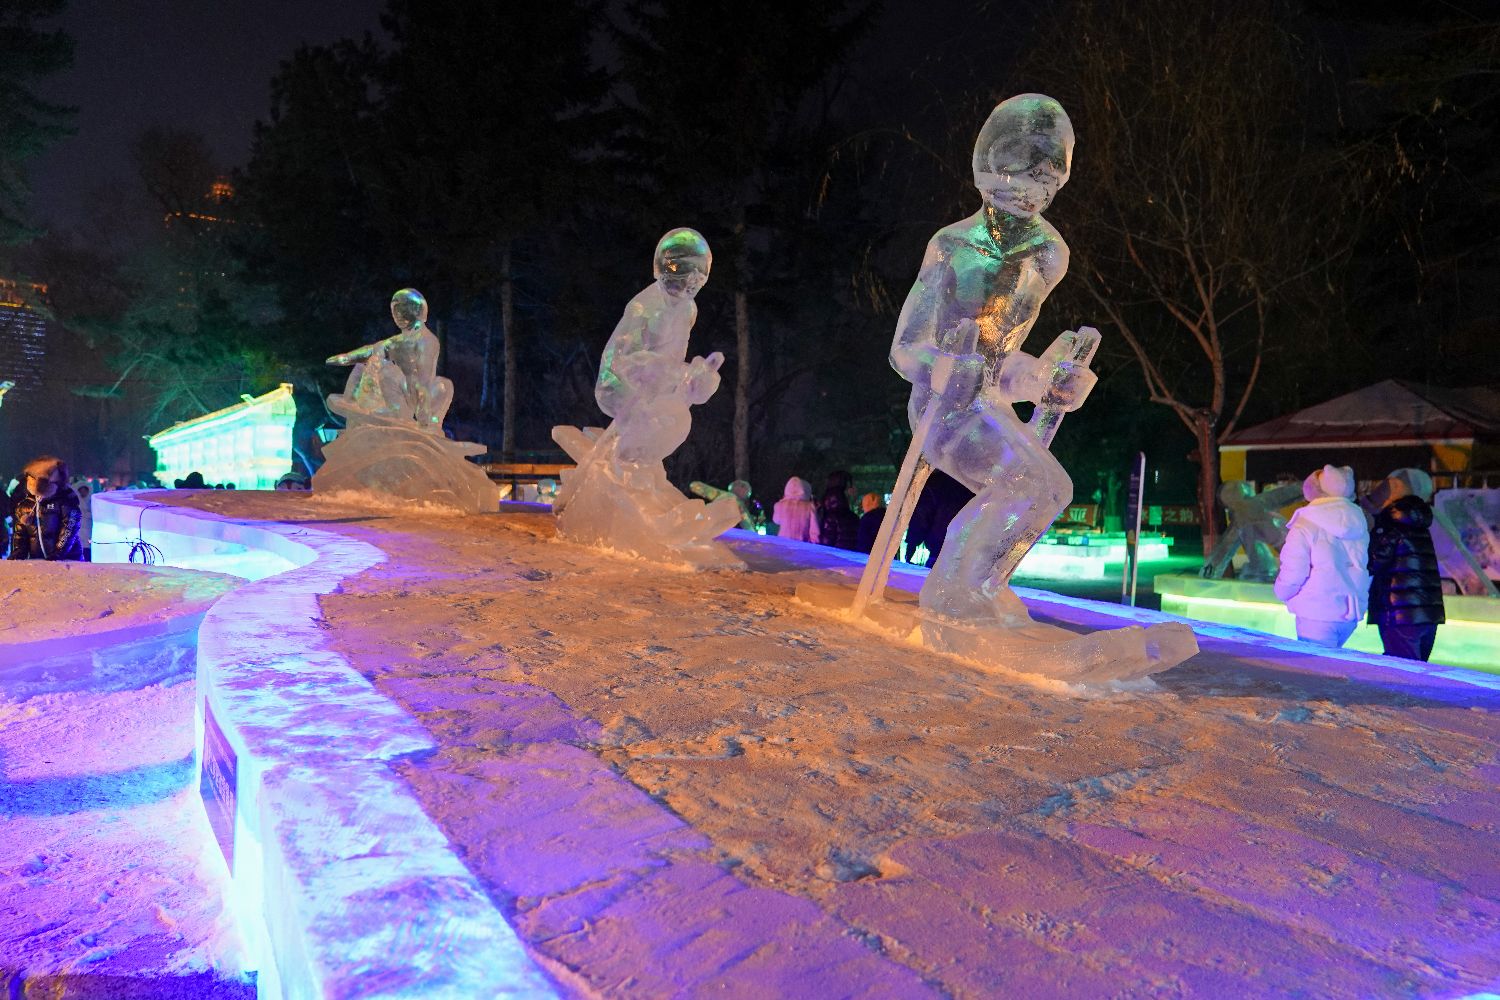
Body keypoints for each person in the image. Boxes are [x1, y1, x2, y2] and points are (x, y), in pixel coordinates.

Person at [888, 94, 1095, 624]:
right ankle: (952, 592)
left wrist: (1046, 382)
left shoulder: (1048, 254)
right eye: (1025, 171)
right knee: (1031, 484)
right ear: (992, 164)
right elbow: (905, 347)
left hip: (987, 404)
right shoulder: (952, 245)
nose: (1036, 189)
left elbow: (999, 363)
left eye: (1049, 176)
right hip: (938, 408)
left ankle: (977, 587)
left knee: (1052, 489)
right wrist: (943, 370)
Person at [1273, 465, 1369, 648]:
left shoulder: (1305, 524)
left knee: (1315, 663)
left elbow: (1294, 568)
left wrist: (1282, 591)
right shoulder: (1357, 522)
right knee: (1332, 661)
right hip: (1350, 611)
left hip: (1316, 611)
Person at [1366, 468, 1445, 661]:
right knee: (1418, 668)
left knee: (1402, 670)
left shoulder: (1392, 523)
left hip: (1400, 613)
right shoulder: (1421, 523)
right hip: (1427, 613)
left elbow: (1374, 562)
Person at [8, 455, 84, 560]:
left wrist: (59, 552)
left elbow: (70, 529)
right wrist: (19, 552)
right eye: (29, 478)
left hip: (66, 560)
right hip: (37, 561)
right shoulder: (25, 504)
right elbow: (20, 533)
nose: (29, 481)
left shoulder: (65, 500)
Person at [773, 477, 820, 543]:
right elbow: (814, 529)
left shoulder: (780, 505)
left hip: (783, 542)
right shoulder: (810, 506)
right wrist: (814, 543)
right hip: (801, 543)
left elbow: (776, 520)